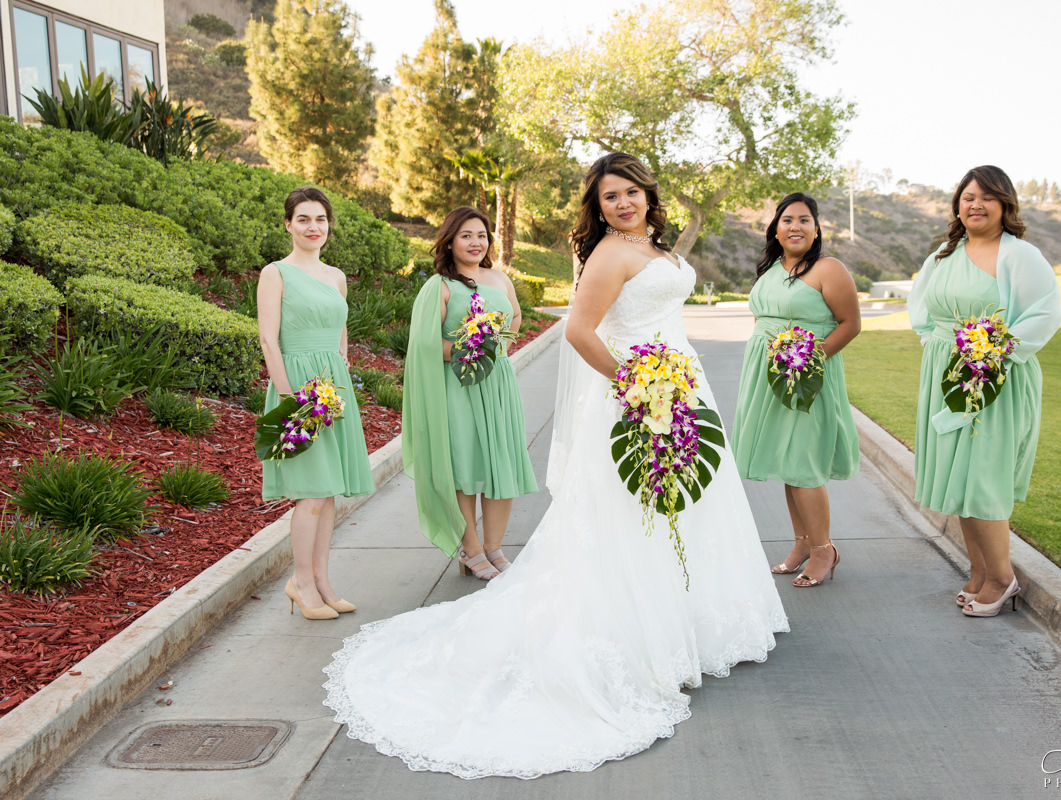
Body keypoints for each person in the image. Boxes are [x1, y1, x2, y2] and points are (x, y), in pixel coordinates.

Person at [323, 153, 787, 778]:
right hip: (638, 391)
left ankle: (692, 622)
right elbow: (580, 331)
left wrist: (671, 383)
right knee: (635, 509)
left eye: (630, 192)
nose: (622, 203)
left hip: (682, 385)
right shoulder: (607, 256)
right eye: (609, 197)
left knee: (690, 500)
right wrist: (637, 384)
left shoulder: (660, 250)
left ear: (650, 194)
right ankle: (641, 633)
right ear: (597, 209)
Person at [908, 165, 1061, 617]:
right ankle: (978, 570)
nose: (975, 204)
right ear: (958, 204)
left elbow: (1043, 313)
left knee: (982, 477)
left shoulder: (1019, 255)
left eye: (987, 197)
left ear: (1005, 205)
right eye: (968, 196)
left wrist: (991, 354)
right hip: (946, 374)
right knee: (959, 475)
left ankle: (1001, 576)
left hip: (994, 377)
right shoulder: (944, 252)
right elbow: (924, 310)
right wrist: (938, 348)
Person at [731, 193, 861, 587]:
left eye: (805, 220)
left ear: (816, 229)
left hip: (807, 377)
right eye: (787, 220)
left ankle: (825, 550)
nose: (795, 226)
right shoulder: (770, 269)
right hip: (767, 376)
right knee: (789, 463)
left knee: (803, 463)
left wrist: (809, 358)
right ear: (776, 228)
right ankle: (802, 543)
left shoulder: (828, 269)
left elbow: (849, 324)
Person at [257, 186, 375, 620]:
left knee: (327, 495)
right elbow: (269, 339)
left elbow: (341, 331)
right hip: (296, 389)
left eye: (320, 219)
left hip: (331, 388)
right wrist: (290, 399)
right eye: (303, 219)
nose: (313, 227)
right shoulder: (276, 273)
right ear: (288, 224)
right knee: (309, 495)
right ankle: (300, 582)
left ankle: (322, 581)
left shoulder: (336, 276)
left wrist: (338, 373)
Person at [401, 206, 537, 579]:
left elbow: (516, 320)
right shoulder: (440, 286)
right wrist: (471, 348)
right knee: (465, 468)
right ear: (449, 240)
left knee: (500, 465)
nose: (476, 242)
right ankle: (471, 549)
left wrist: (495, 345)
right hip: (458, 387)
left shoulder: (500, 279)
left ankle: (494, 548)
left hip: (497, 386)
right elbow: (426, 346)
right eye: (466, 235)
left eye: (481, 235)